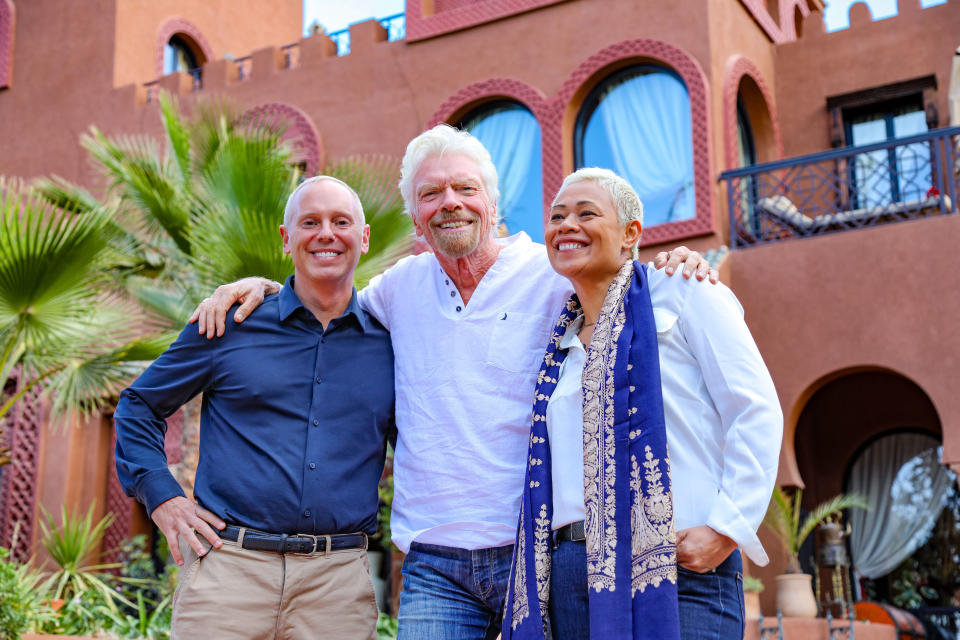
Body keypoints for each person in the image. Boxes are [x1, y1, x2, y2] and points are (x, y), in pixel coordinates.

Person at [190, 125, 717, 640]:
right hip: (435, 566)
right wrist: (257, 287)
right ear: (414, 216)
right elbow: (322, 306)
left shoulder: (553, 277)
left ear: (493, 201)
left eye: (465, 189)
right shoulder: (396, 291)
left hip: (535, 557)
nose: (450, 203)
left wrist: (675, 261)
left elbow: (623, 289)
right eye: (430, 193)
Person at [503, 168, 782, 640]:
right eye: (556, 216)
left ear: (631, 233)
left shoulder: (683, 290)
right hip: (571, 579)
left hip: (680, 567)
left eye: (586, 213)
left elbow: (753, 407)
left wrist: (727, 528)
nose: (566, 225)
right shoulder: (557, 341)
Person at [114, 176, 395, 640]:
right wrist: (161, 494)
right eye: (310, 222)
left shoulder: (392, 343)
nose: (326, 233)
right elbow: (139, 404)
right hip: (228, 574)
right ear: (287, 240)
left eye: (341, 221)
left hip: (337, 587)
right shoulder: (230, 323)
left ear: (363, 238)